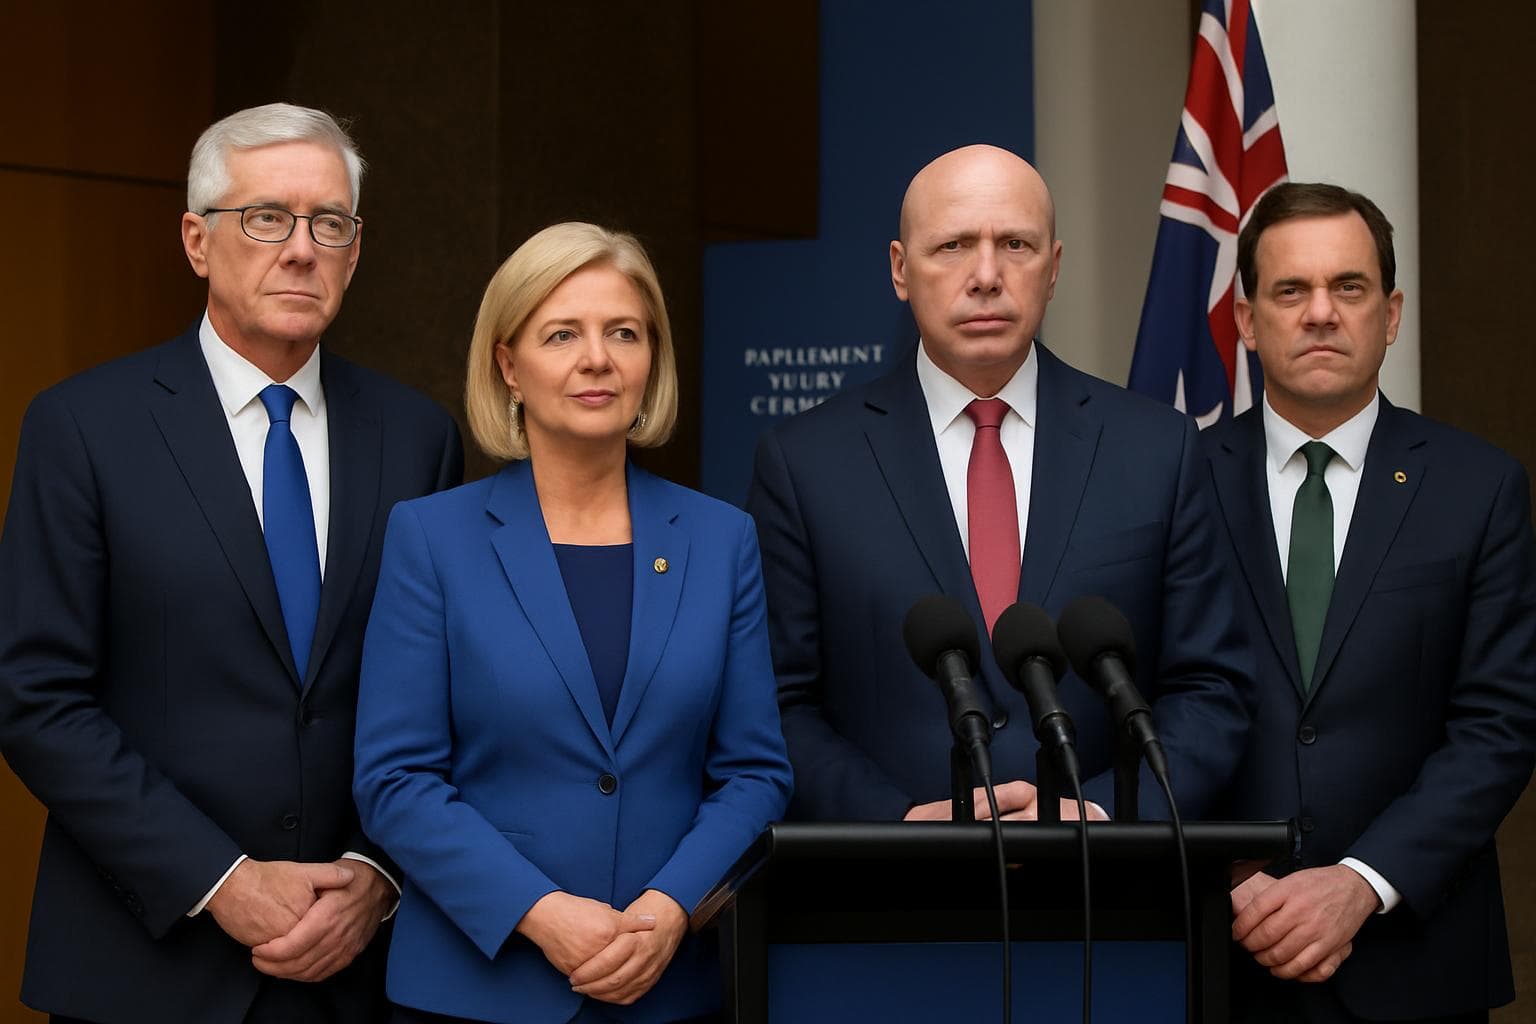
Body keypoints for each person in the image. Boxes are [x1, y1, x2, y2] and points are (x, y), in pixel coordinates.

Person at [0, 103, 463, 1023]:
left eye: (330, 223)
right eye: (266, 218)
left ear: (356, 251)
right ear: (196, 241)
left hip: (358, 970)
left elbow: (446, 693)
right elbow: (36, 696)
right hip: (145, 963)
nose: (301, 249)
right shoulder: (84, 428)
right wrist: (220, 879)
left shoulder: (418, 438)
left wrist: (378, 871)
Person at [352, 222, 793, 1024]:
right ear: (509, 365)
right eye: (563, 334)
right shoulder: (432, 538)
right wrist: (543, 912)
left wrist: (670, 908)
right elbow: (396, 780)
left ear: (651, 358)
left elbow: (755, 775)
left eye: (623, 332)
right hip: (473, 993)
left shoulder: (720, 538)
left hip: (669, 988)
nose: (598, 358)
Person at [746, 143, 1252, 823]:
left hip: (1104, 899)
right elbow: (778, 704)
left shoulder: (1156, 449)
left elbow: (1210, 689)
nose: (986, 275)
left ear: (1054, 268)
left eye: (1015, 244)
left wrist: (1102, 814)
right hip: (889, 905)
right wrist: (895, 826)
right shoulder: (804, 463)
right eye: (952, 246)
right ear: (900, 270)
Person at [1207, 182, 1536, 1023]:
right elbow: (1141, 700)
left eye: (1348, 288)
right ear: (1247, 321)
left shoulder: (1479, 487)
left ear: (1390, 314)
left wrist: (1361, 883)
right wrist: (1229, 874)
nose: (1321, 313)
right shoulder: (1171, 481)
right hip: (1215, 955)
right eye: (1291, 290)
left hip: (1414, 964)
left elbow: (1500, 724)